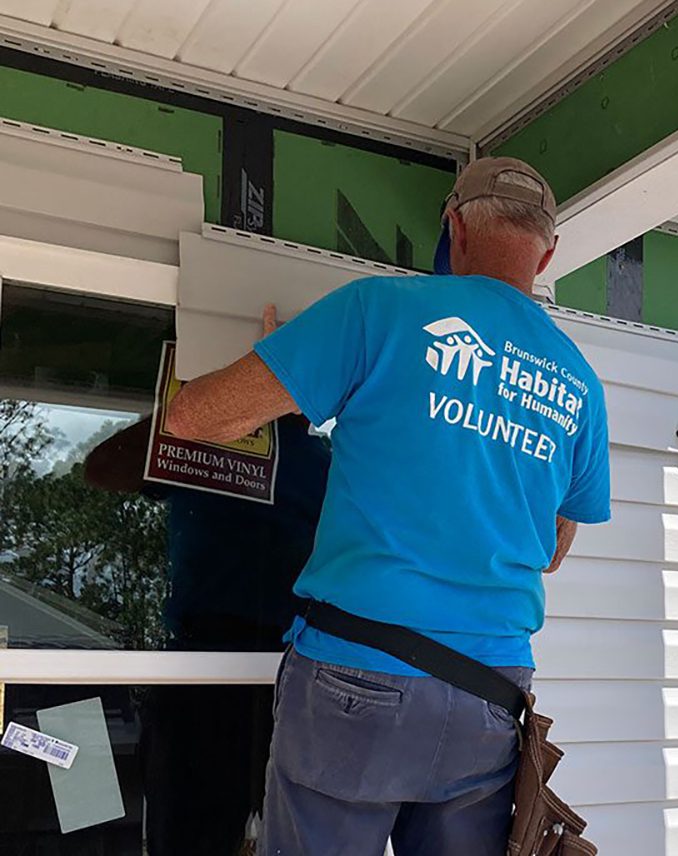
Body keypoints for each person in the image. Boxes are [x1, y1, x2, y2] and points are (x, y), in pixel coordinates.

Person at [164, 156, 611, 856]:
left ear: (455, 227)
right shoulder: (579, 384)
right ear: (547, 252)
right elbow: (554, 548)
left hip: (356, 680)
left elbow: (194, 417)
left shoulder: (382, 310)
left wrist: (285, 375)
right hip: (490, 697)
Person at [84, 389, 331, 856]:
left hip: (289, 670)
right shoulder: (211, 444)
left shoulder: (328, 469)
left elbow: (103, 469)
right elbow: (104, 469)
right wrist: (191, 409)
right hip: (207, 669)